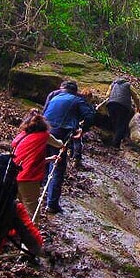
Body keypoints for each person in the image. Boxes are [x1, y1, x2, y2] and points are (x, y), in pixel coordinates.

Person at [43, 80, 95, 214]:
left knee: (42, 161)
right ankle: (52, 204)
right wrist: (82, 130)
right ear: (74, 90)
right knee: (57, 167)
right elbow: (90, 116)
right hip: (59, 132)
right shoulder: (77, 100)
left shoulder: (53, 94)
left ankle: (40, 193)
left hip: (42, 130)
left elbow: (44, 111)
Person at [11, 109, 63, 220]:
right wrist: (63, 143)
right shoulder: (44, 135)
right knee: (32, 212)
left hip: (12, 175)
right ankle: (30, 235)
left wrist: (49, 159)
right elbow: (58, 144)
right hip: (28, 178)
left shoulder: (22, 136)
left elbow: (29, 159)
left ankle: (14, 232)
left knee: (16, 206)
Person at [105, 77, 140, 148]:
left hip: (111, 105)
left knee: (115, 123)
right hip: (123, 106)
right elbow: (136, 97)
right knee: (121, 125)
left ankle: (114, 139)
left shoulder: (113, 84)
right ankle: (115, 144)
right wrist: (138, 107)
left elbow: (107, 95)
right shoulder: (128, 85)